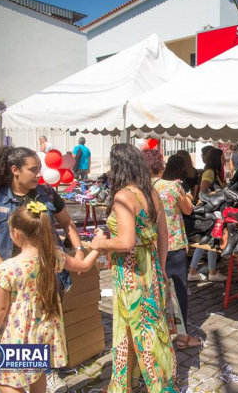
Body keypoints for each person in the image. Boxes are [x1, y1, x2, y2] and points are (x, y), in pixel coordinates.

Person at [0, 146, 82, 393]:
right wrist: (3, 267)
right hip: (11, 279)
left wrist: (78, 248)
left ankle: (42, 374)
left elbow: (67, 224)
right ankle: (15, 377)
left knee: (42, 328)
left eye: (40, 169)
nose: (38, 174)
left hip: (45, 278)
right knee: (11, 328)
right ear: (15, 170)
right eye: (33, 169)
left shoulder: (47, 193)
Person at [0, 202, 104, 393]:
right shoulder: (54, 256)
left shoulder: (7, 269)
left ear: (16, 234)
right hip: (46, 328)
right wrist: (97, 247)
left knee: (6, 381)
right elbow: (83, 266)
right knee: (37, 374)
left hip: (20, 332)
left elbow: (0, 308)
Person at [90, 143, 176, 391]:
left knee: (140, 333)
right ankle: (124, 384)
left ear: (117, 166)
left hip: (130, 274)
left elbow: (126, 242)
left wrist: (101, 242)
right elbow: (163, 237)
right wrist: (158, 270)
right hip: (150, 270)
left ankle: (158, 386)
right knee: (140, 330)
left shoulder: (123, 196)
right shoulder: (150, 193)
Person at [144, 151, 201, 350]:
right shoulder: (172, 186)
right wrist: (187, 196)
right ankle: (182, 337)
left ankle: (158, 333)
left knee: (154, 290)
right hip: (172, 244)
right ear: (160, 166)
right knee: (178, 291)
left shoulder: (139, 189)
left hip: (149, 245)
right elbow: (188, 210)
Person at [189, 148, 227, 282]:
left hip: (214, 213)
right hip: (209, 213)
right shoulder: (210, 173)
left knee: (210, 242)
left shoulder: (216, 173)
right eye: (222, 157)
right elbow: (202, 192)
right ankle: (196, 271)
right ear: (216, 159)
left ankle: (210, 271)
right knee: (207, 242)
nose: (225, 160)